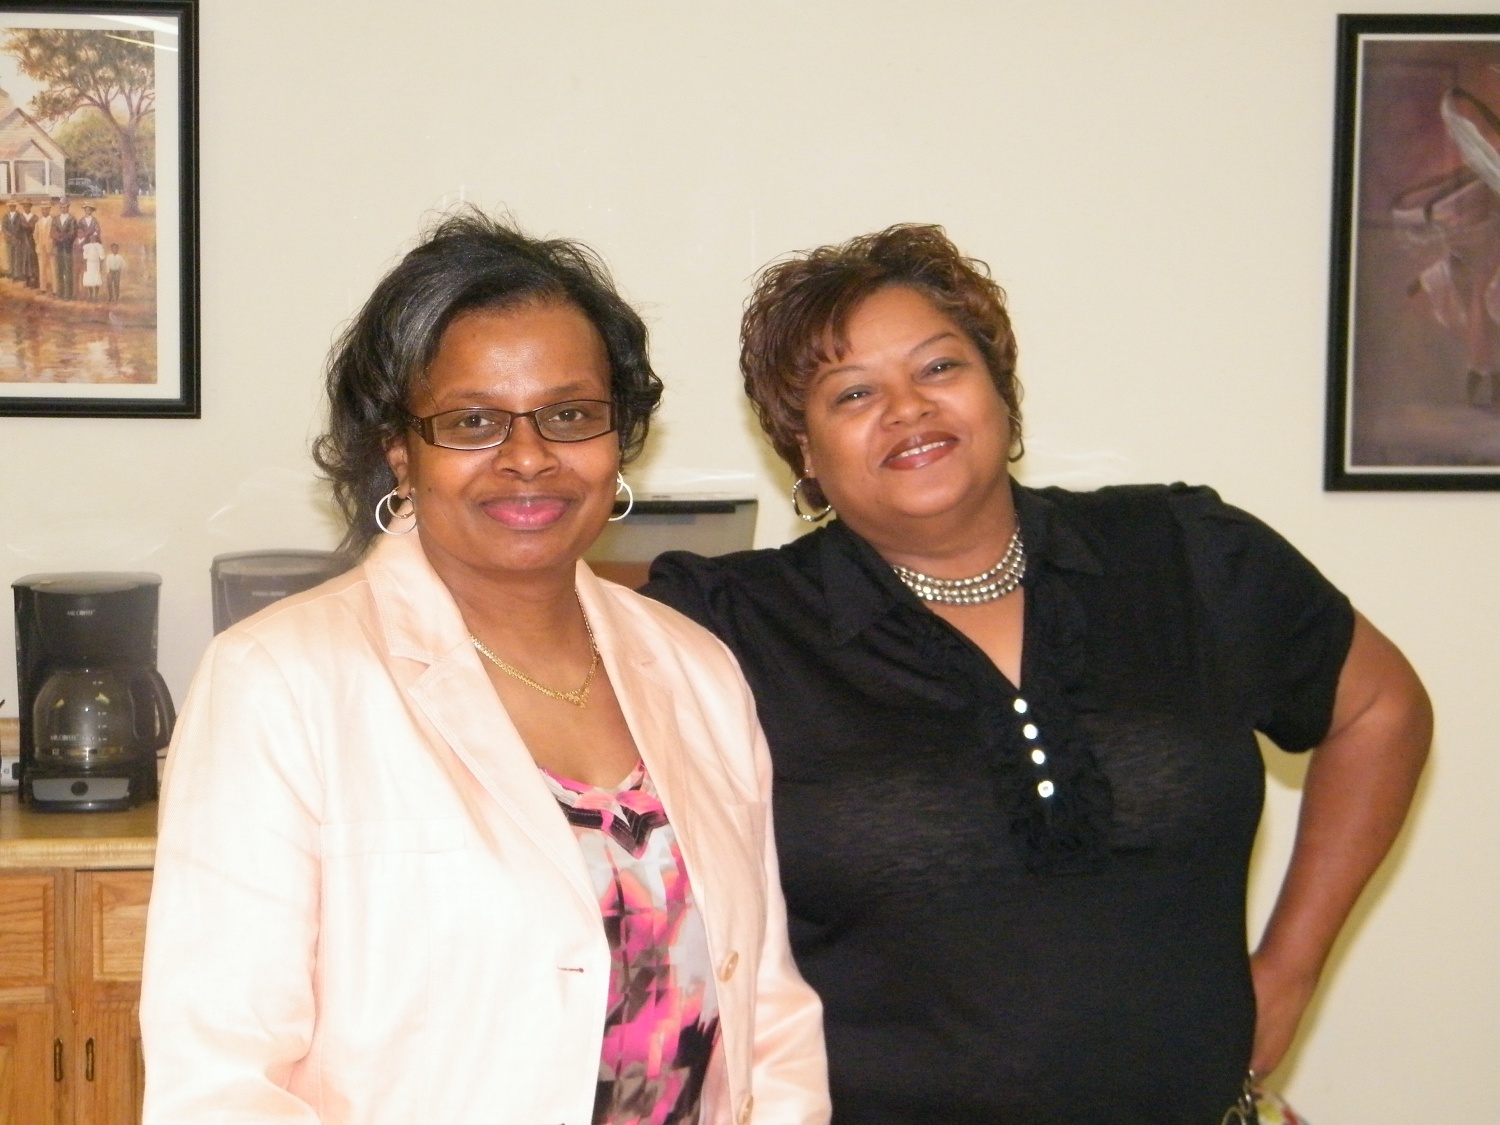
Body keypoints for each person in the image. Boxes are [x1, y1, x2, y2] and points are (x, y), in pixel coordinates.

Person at [642, 224, 1431, 1124]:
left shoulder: (1182, 555)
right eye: (853, 392)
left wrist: (1290, 968)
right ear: (805, 452)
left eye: (940, 367)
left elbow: (1380, 707)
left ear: (1000, 390)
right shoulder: (730, 624)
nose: (907, 407)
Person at [140, 211, 830, 1125]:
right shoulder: (278, 681)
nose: (529, 457)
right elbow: (221, 1082)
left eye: (570, 415)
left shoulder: (698, 671)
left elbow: (769, 1014)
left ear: (618, 437)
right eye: (473, 422)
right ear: (400, 448)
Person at [50, 199, 74, 298]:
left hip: (68, 248)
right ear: (60, 208)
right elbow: (52, 231)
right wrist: (58, 237)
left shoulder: (72, 219)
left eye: (66, 207)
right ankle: (60, 292)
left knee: (67, 270)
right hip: (58, 247)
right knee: (59, 270)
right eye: (62, 207)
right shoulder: (56, 219)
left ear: (68, 207)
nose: (64, 209)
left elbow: (72, 232)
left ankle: (68, 294)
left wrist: (64, 238)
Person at [34, 200, 54, 294]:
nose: (44, 211)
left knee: (53, 269)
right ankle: (43, 288)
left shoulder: (53, 221)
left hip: (51, 248)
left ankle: (55, 289)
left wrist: (51, 242)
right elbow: (35, 235)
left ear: (49, 209)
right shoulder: (39, 222)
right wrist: (38, 243)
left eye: (46, 209)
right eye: (42, 209)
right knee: (42, 269)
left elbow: (54, 234)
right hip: (41, 248)